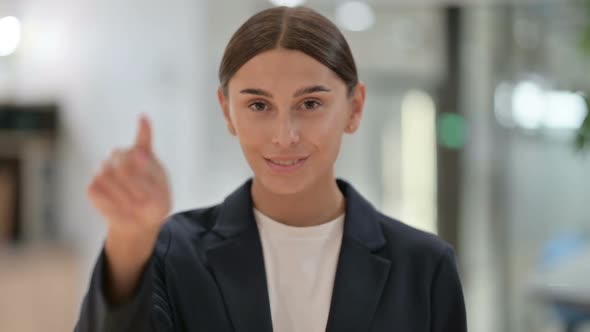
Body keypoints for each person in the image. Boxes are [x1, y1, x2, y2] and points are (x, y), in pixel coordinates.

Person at [74, 6, 467, 332]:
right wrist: (129, 239)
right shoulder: (172, 253)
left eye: (310, 104)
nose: (285, 136)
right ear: (227, 111)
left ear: (355, 107)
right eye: (259, 106)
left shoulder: (424, 268)